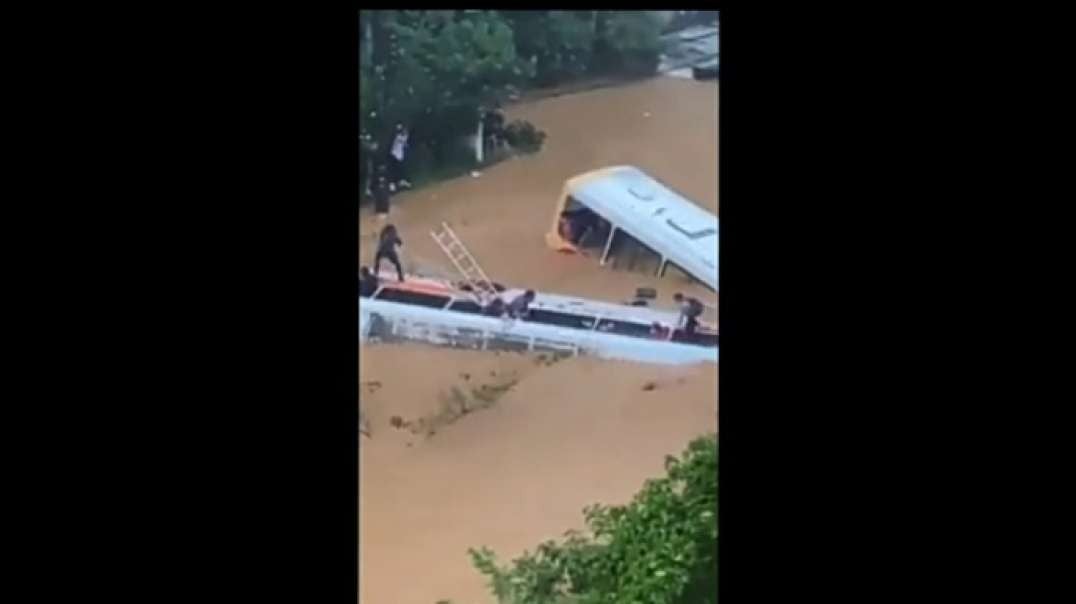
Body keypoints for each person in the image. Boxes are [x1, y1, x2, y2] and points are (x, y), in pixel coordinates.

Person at [388, 123, 410, 191]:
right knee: (397, 171)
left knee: (399, 171)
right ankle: (394, 185)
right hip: (395, 156)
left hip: (397, 156)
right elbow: (404, 140)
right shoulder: (398, 137)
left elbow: (404, 144)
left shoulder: (399, 137)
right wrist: (406, 134)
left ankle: (400, 184)